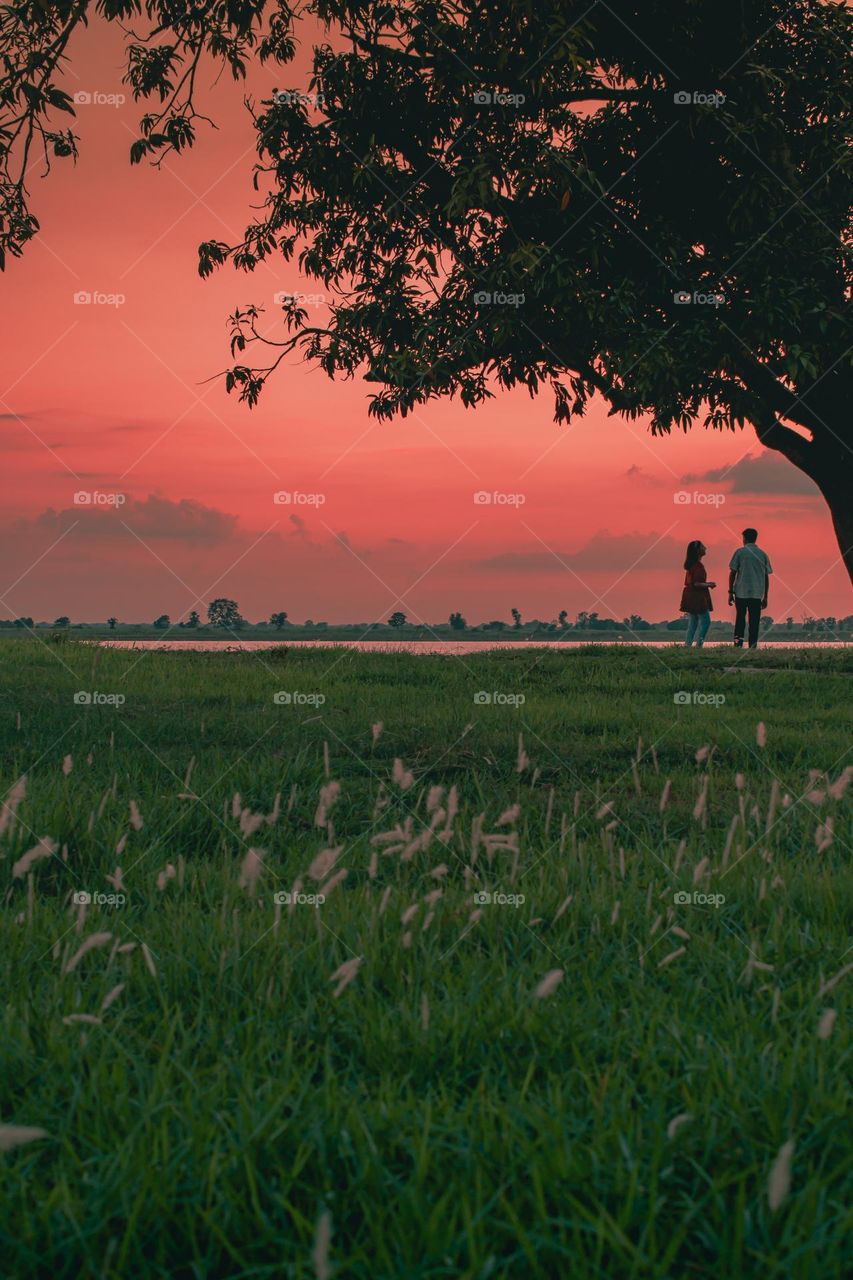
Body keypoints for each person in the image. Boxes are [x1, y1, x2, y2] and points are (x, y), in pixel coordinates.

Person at [728, 527, 772, 648]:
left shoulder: (740, 552)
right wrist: (766, 596)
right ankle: (753, 645)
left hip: (740, 592)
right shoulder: (763, 554)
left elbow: (733, 573)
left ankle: (738, 644)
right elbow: (766, 577)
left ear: (745, 539)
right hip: (757, 593)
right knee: (754, 622)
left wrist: (730, 592)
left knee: (740, 620)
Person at [680, 540, 716, 646]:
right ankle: (699, 644)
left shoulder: (691, 565)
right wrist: (709, 584)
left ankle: (688, 645)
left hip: (689, 596)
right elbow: (697, 583)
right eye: (703, 546)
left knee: (693, 623)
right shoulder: (698, 566)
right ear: (698, 550)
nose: (705, 548)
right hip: (697, 596)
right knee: (706, 622)